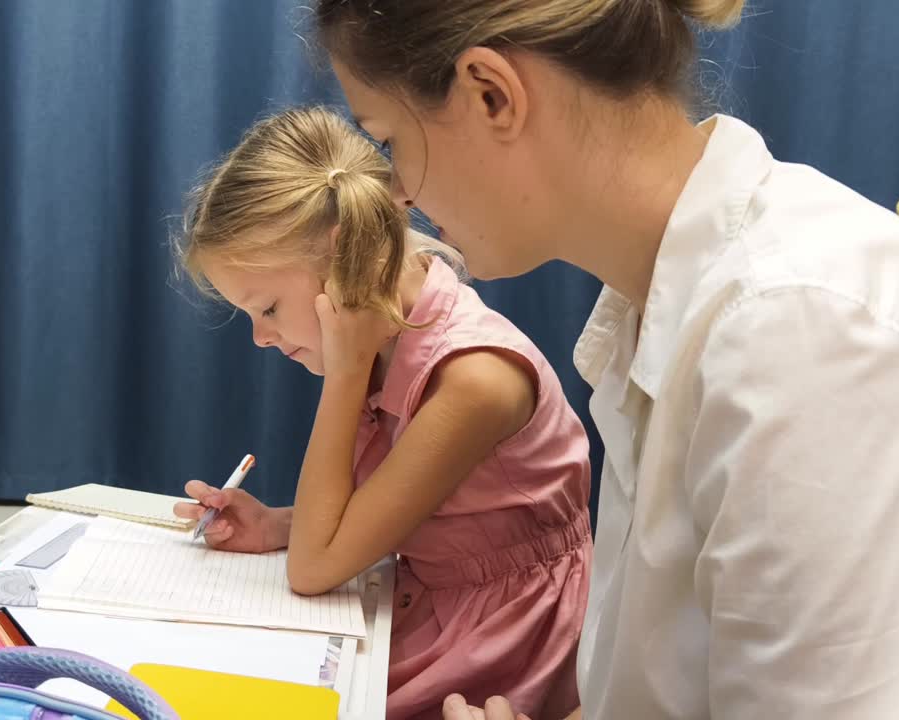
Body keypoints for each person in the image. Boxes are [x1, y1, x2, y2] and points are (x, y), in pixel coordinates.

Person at [310, 1, 899, 718]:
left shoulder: (801, 331)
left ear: (492, 94)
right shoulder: (664, 312)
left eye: (389, 140)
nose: (396, 192)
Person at [172, 107, 593, 719]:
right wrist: (274, 527)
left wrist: (344, 373)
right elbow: (409, 519)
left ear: (348, 265)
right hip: (434, 600)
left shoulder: (476, 381)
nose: (260, 339)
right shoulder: (391, 336)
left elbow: (314, 570)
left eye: (266, 308)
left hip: (510, 640)